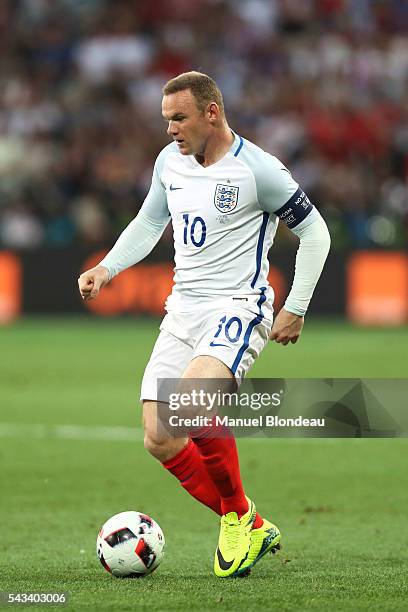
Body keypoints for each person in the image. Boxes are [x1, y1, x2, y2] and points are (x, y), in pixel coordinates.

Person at [78, 71, 330, 578]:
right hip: (183, 309)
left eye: (179, 118)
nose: (170, 129)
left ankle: (238, 516)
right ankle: (249, 521)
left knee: (190, 405)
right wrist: (108, 267)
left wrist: (296, 306)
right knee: (160, 437)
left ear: (211, 113)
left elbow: (316, 233)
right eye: (166, 119)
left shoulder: (259, 170)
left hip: (238, 306)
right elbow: (150, 222)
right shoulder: (169, 161)